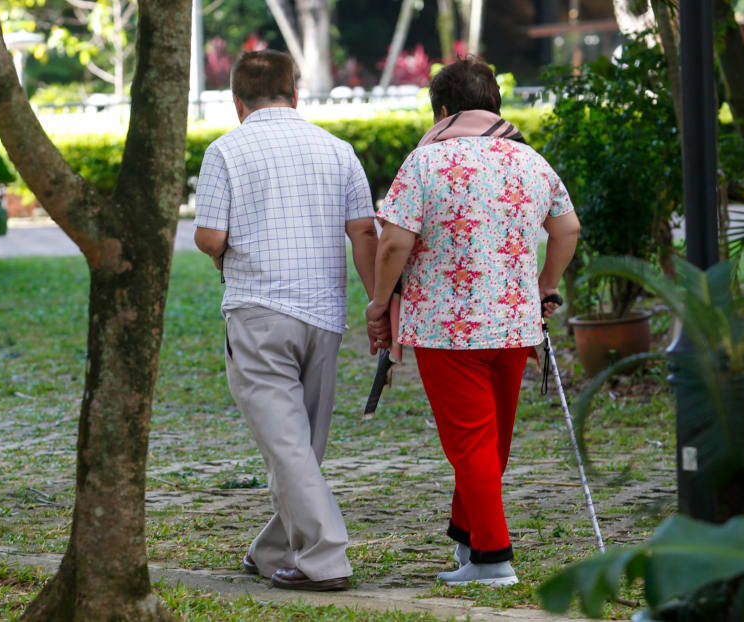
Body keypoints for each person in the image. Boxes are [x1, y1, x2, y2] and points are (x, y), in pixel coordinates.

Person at [365, 58, 581, 587]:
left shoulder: (425, 162)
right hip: (514, 324)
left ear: (443, 110)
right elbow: (568, 228)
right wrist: (545, 284)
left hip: (445, 326)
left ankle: (493, 558)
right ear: (494, 106)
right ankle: (467, 544)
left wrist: (377, 303)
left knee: (470, 445)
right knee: (491, 444)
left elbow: (393, 241)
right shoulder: (531, 161)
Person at [194, 50, 378, 592]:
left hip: (258, 312)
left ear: (236, 102)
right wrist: (378, 303)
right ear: (296, 94)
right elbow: (364, 232)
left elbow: (210, 238)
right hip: (323, 314)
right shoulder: (337, 149)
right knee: (300, 447)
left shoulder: (225, 150)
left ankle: (326, 558)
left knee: (289, 447)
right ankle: (274, 547)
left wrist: (220, 249)